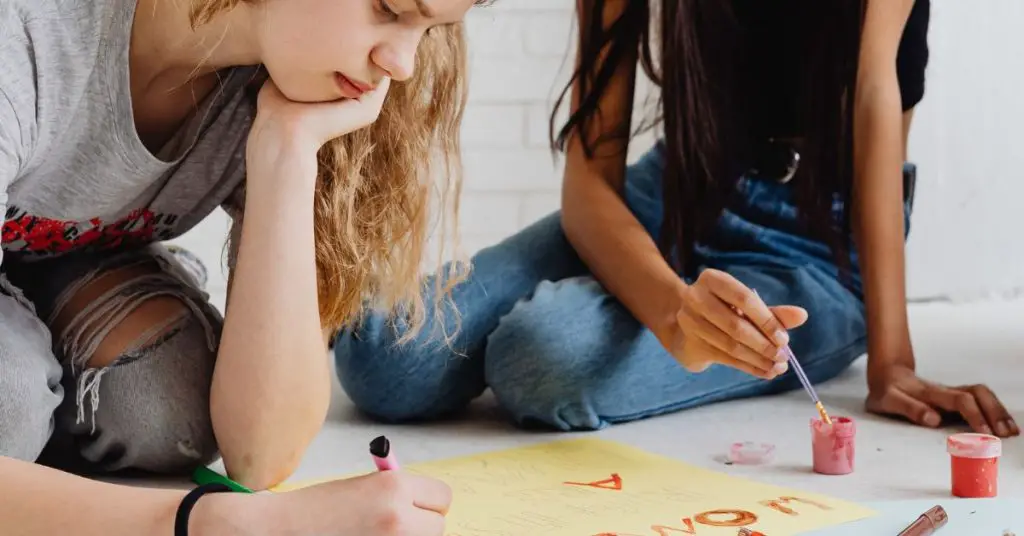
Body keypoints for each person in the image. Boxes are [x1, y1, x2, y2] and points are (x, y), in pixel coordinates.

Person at [335, 0, 1019, 439]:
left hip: (818, 245)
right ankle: (645, 298)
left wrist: (892, 364)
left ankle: (617, 307)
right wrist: (670, 311)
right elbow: (589, 182)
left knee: (535, 356)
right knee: (381, 356)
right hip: (679, 190)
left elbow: (874, 100)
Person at [0, 0, 482, 533]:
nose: (402, 63)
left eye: (432, 27)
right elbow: (240, 506)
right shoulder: (20, 37)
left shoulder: (292, 83)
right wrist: (204, 522)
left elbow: (261, 456)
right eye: (388, 8)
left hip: (73, 258)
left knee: (169, 407)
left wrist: (287, 148)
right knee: (9, 399)